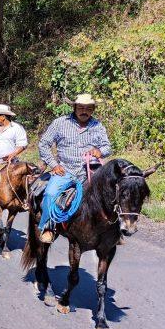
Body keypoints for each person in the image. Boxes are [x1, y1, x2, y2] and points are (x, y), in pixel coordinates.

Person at [37, 94, 111, 243]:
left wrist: (99, 151)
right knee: (51, 193)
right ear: (74, 107)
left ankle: (112, 230)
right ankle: (48, 227)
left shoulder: (98, 126)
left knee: (111, 193)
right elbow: (44, 144)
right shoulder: (60, 123)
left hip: (90, 171)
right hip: (65, 169)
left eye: (89, 108)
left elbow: (107, 146)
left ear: (93, 109)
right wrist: (54, 165)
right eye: (81, 108)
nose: (85, 111)